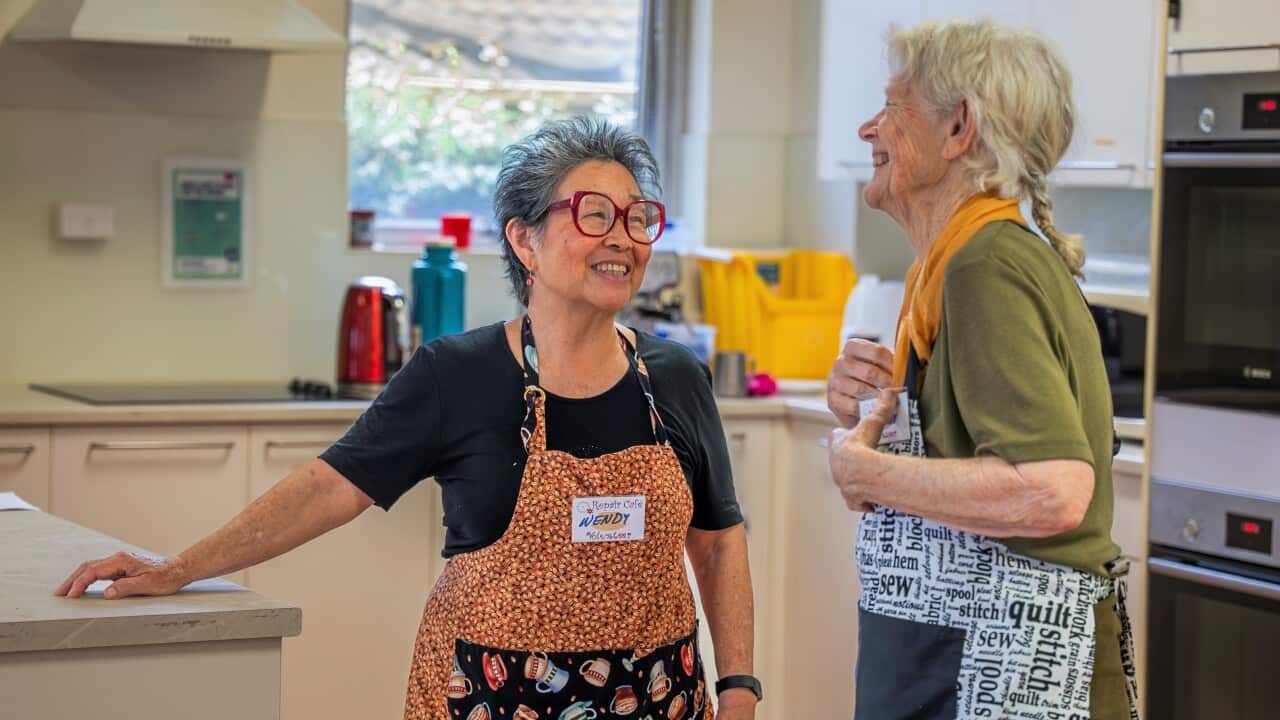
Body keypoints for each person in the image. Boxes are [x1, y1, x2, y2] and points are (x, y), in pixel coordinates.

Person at [57, 117, 758, 720]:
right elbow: (329, 488)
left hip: (660, 697)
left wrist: (739, 690)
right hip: (487, 699)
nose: (623, 238)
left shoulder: (674, 378)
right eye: (593, 215)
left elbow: (720, 543)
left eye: (637, 217)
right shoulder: (457, 374)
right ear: (524, 241)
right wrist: (177, 568)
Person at [824, 19, 1138, 720]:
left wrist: (864, 470)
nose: (867, 128)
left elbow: (1052, 490)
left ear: (959, 126)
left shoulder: (985, 266)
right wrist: (879, 413)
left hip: (1003, 659)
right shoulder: (950, 265)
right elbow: (973, 453)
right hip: (957, 650)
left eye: (892, 107)